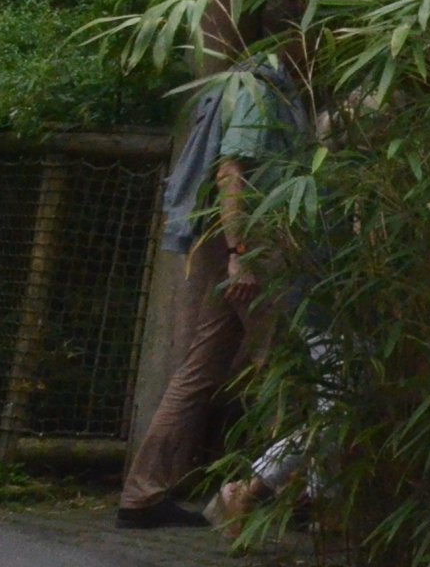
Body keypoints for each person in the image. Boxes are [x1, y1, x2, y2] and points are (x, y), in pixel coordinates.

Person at [115, 56, 304, 529]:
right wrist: (240, 249)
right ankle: (265, 496)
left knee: (203, 366)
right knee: (288, 366)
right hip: (257, 245)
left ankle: (141, 494)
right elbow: (232, 170)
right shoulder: (262, 89)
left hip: (243, 245)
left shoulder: (248, 83)